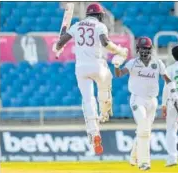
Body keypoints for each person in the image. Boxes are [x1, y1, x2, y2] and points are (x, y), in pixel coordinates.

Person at [52, 3, 128, 155]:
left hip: (80, 68)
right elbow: (105, 43)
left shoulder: (76, 25)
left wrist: (57, 47)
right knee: (105, 82)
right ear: (100, 15)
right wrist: (120, 50)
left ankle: (94, 133)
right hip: (97, 65)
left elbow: (60, 43)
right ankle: (105, 112)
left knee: (87, 100)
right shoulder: (100, 26)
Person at [113, 36, 178, 171]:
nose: (145, 51)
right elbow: (119, 75)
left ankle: (133, 156)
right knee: (144, 129)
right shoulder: (132, 63)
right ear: (138, 49)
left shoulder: (158, 63)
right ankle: (144, 163)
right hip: (137, 99)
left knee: (145, 131)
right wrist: (117, 66)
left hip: (152, 101)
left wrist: (174, 93)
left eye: (147, 48)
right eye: (142, 49)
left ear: (151, 49)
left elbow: (167, 79)